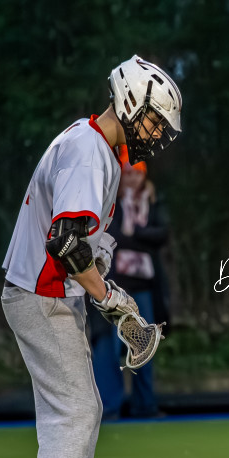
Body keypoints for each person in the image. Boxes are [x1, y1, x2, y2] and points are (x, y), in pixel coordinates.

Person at [1, 55, 182, 458]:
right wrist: (111, 300)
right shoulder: (90, 151)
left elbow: (76, 243)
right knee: (75, 410)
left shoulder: (91, 144)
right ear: (130, 103)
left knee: (82, 408)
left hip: (48, 294)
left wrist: (103, 292)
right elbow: (64, 242)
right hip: (42, 294)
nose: (157, 134)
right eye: (154, 120)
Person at [90, 160, 169, 418]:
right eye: (128, 173)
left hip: (144, 289)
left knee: (145, 345)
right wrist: (141, 237)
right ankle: (108, 407)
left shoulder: (153, 202)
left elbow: (162, 234)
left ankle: (144, 405)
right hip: (113, 288)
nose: (133, 178)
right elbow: (111, 238)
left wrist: (135, 234)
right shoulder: (110, 203)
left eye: (137, 173)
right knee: (109, 347)